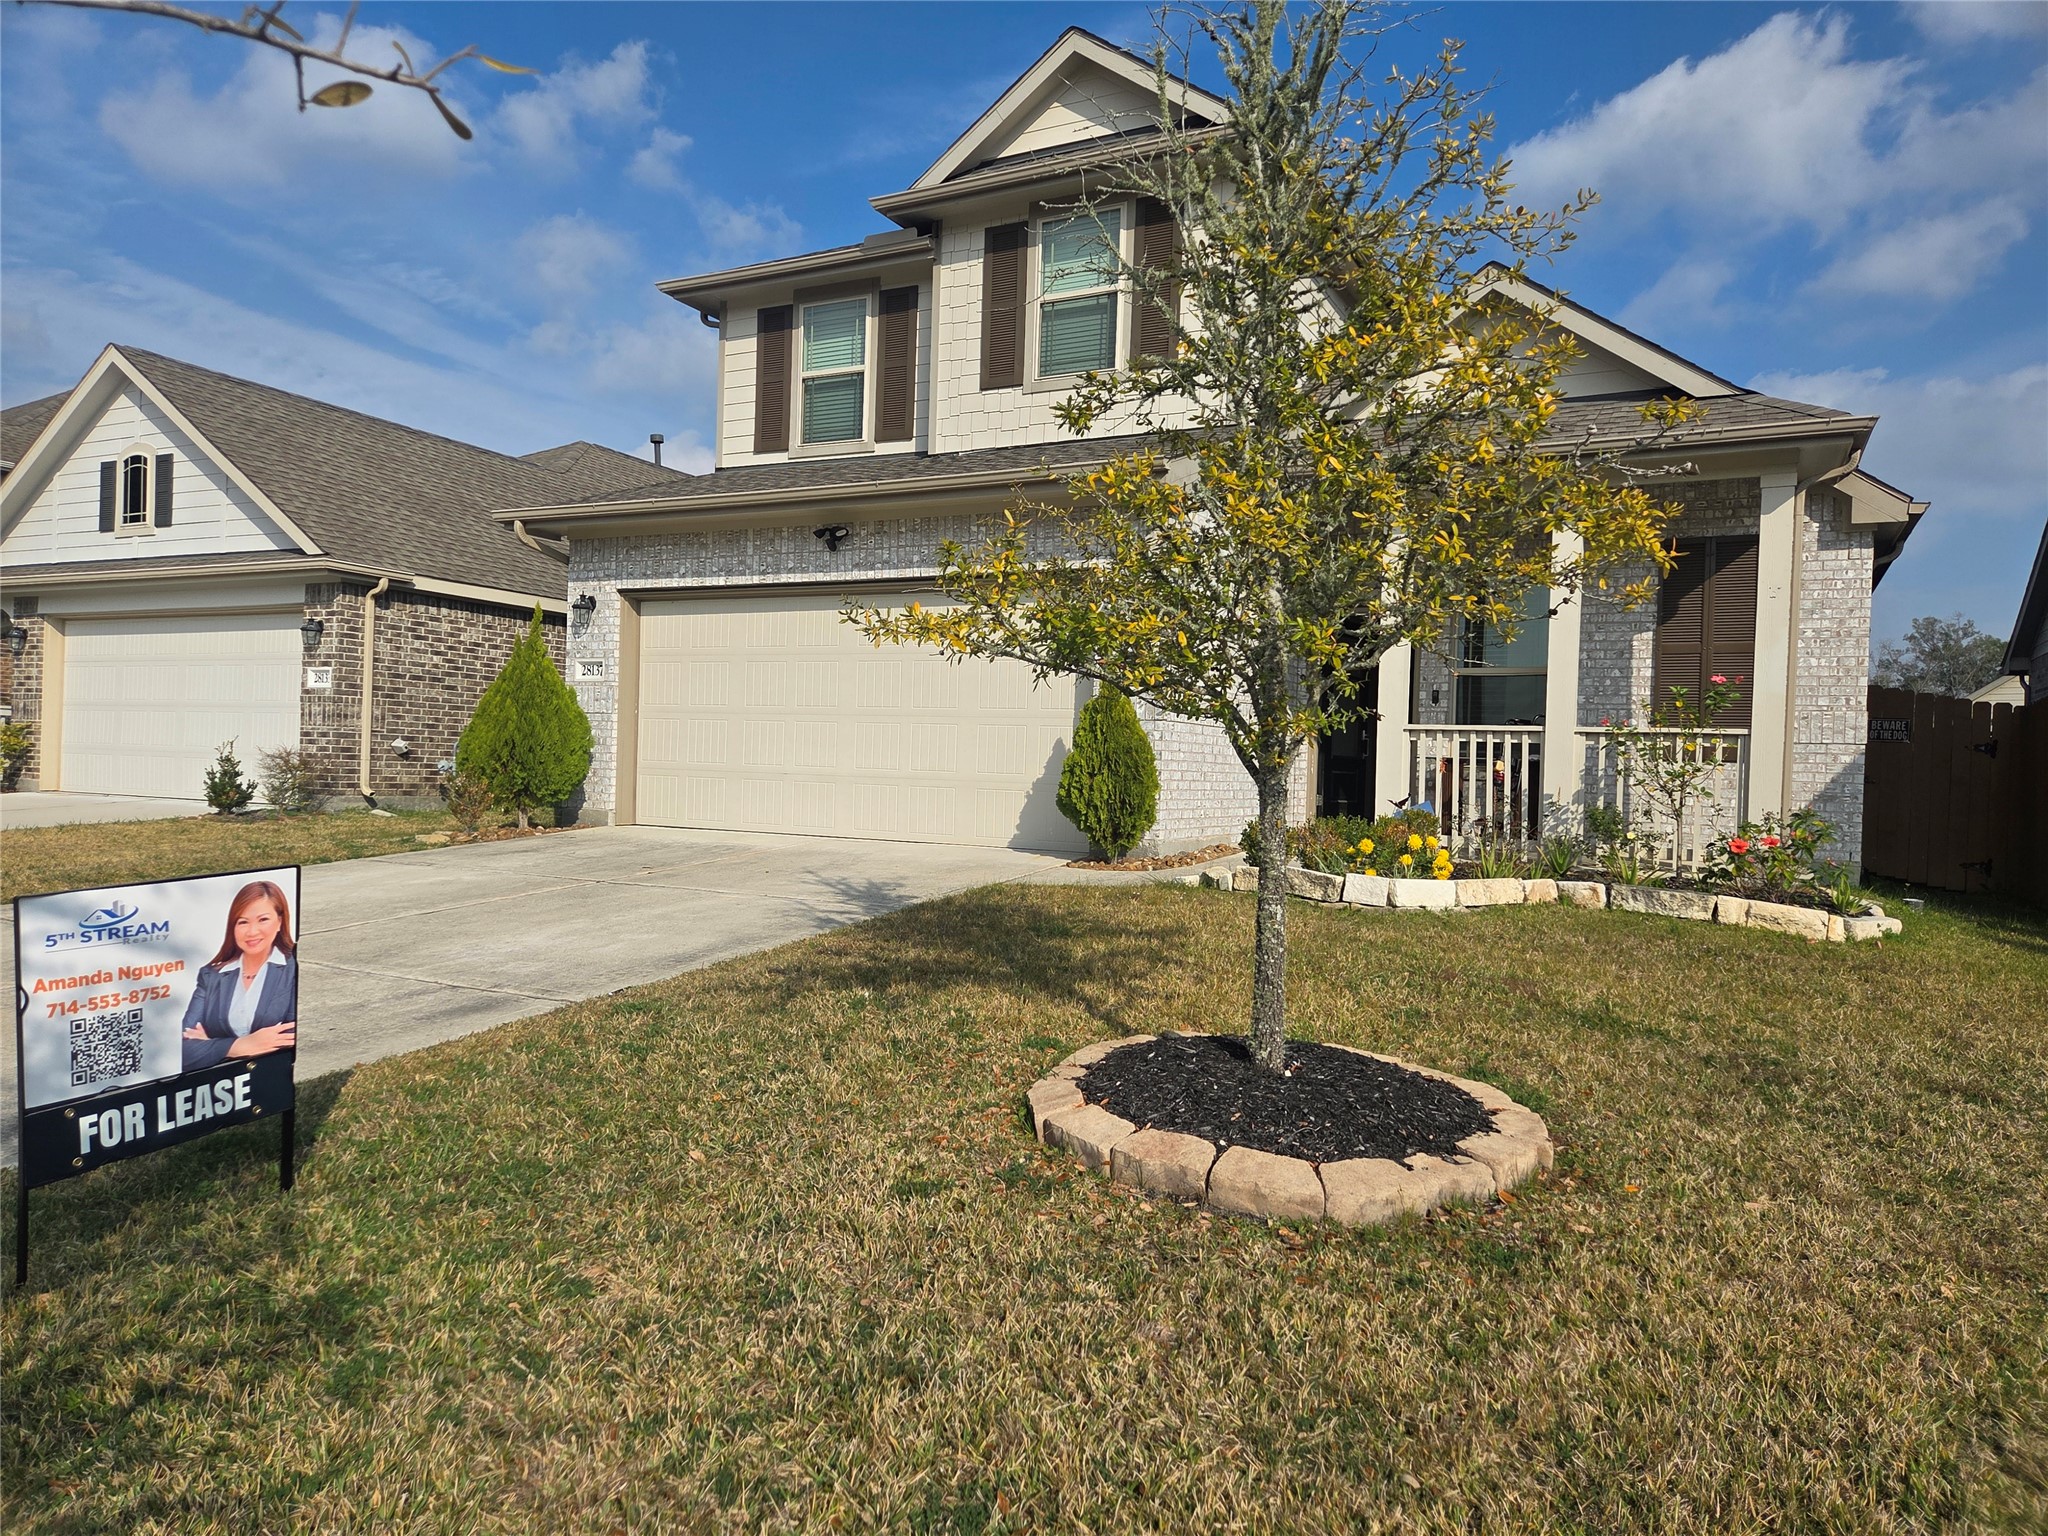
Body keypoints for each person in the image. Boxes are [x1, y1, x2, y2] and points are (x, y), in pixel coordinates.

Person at [180, 879, 298, 1073]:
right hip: (221, 1082)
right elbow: (183, 1050)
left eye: (263, 920)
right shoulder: (211, 976)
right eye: (243, 922)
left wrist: (211, 1044)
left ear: (280, 921)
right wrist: (238, 1046)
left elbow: (292, 1039)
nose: (252, 931)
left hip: (272, 1075)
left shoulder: (294, 967)